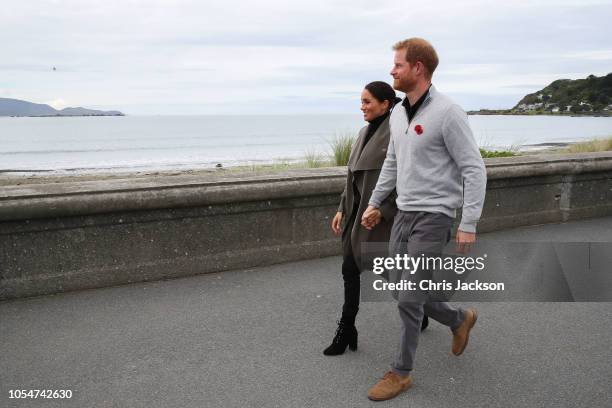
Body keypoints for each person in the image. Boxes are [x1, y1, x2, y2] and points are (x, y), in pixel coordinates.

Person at [361, 38, 487, 401]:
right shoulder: (399, 113)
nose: (392, 71)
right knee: (395, 283)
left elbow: (473, 169)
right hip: (403, 212)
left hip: (435, 216)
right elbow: (392, 163)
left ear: (418, 68)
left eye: (398, 65)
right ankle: (458, 318)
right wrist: (374, 203)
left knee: (408, 298)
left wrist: (469, 222)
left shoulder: (449, 112)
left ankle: (400, 373)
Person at [324, 81, 429, 357]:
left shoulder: (399, 134)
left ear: (385, 104)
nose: (362, 107)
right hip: (356, 219)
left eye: (367, 101)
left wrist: (384, 210)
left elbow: (408, 181)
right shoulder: (362, 133)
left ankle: (425, 310)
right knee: (350, 269)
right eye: (361, 101)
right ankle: (346, 329)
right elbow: (352, 177)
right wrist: (341, 209)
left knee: (398, 277)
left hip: (383, 220)